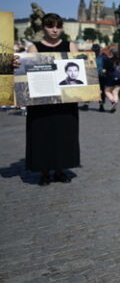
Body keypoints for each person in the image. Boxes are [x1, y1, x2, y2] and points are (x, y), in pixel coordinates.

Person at [25, 13, 79, 185]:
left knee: (64, 135)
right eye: (50, 26)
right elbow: (26, 75)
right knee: (43, 134)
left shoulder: (71, 45)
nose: (55, 30)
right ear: (43, 28)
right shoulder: (34, 48)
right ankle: (44, 172)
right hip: (42, 102)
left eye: (58, 26)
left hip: (65, 101)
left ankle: (60, 169)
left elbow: (82, 71)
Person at [102, 47, 120, 113]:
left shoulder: (109, 60)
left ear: (111, 52)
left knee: (107, 91)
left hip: (111, 77)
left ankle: (113, 102)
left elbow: (105, 68)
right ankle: (115, 104)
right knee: (115, 92)